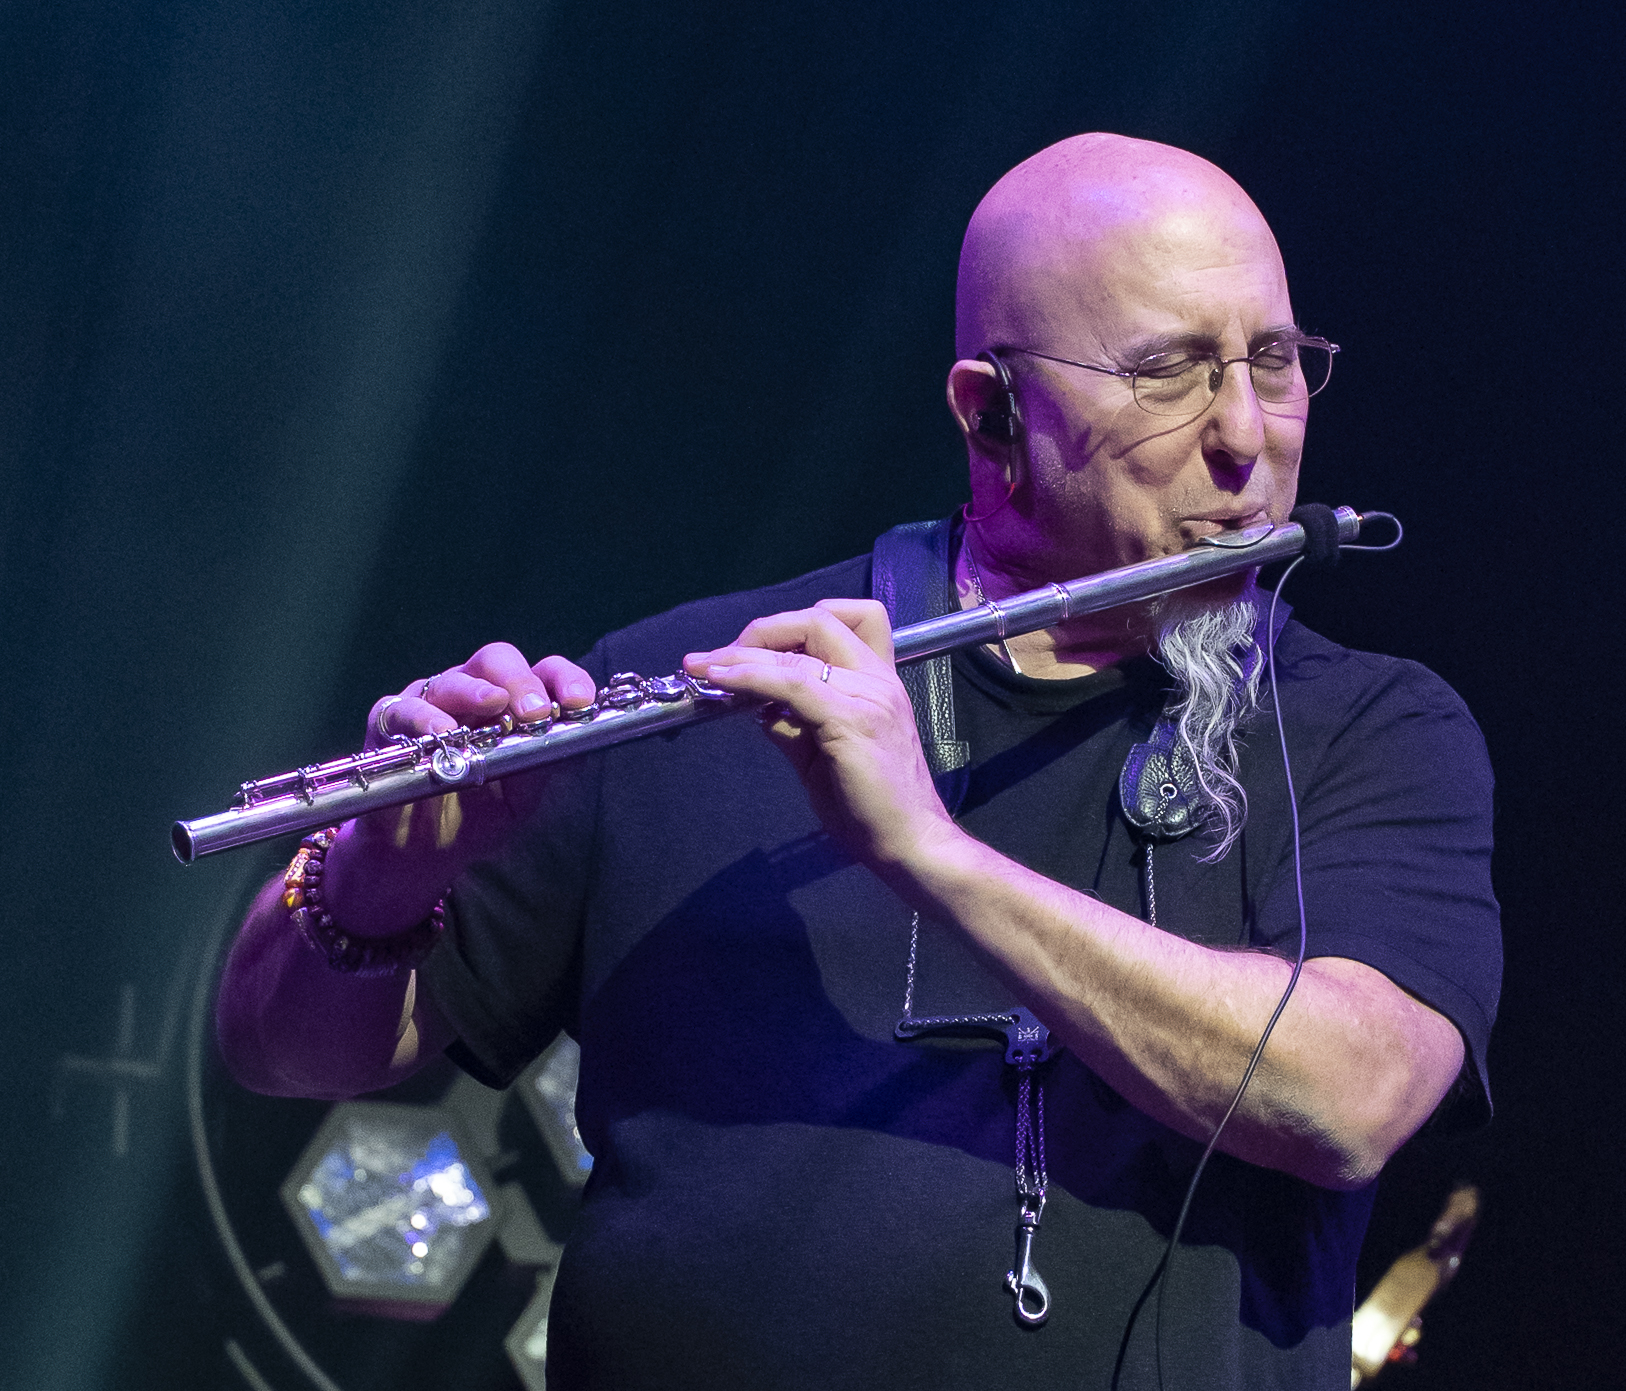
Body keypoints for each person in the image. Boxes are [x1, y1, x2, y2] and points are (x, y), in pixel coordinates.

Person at [217, 133, 1501, 1390]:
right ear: (989, 413)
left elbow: (1347, 1098)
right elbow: (286, 1051)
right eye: (1167, 373)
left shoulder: (1369, 726)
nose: (1246, 436)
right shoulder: (701, 689)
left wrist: (925, 849)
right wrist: (376, 879)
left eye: (1271, 363)